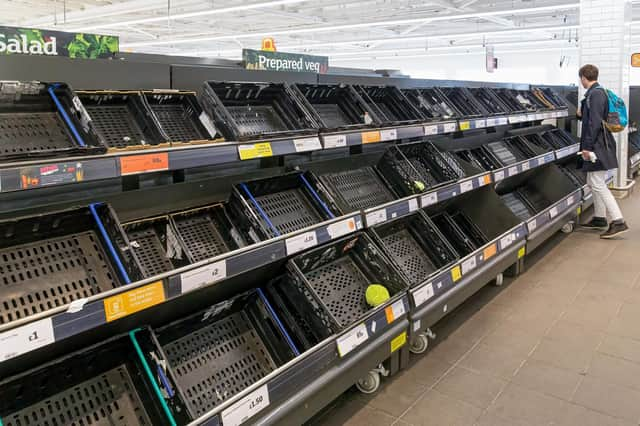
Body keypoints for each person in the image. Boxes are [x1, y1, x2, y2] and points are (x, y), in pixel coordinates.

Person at [577, 64, 629, 238]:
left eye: (581, 78)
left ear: (584, 77)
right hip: (598, 144)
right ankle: (599, 218)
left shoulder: (596, 94)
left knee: (597, 183)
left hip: (598, 146)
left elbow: (595, 124)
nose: (581, 81)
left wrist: (587, 147)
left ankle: (618, 221)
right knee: (593, 181)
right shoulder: (595, 93)